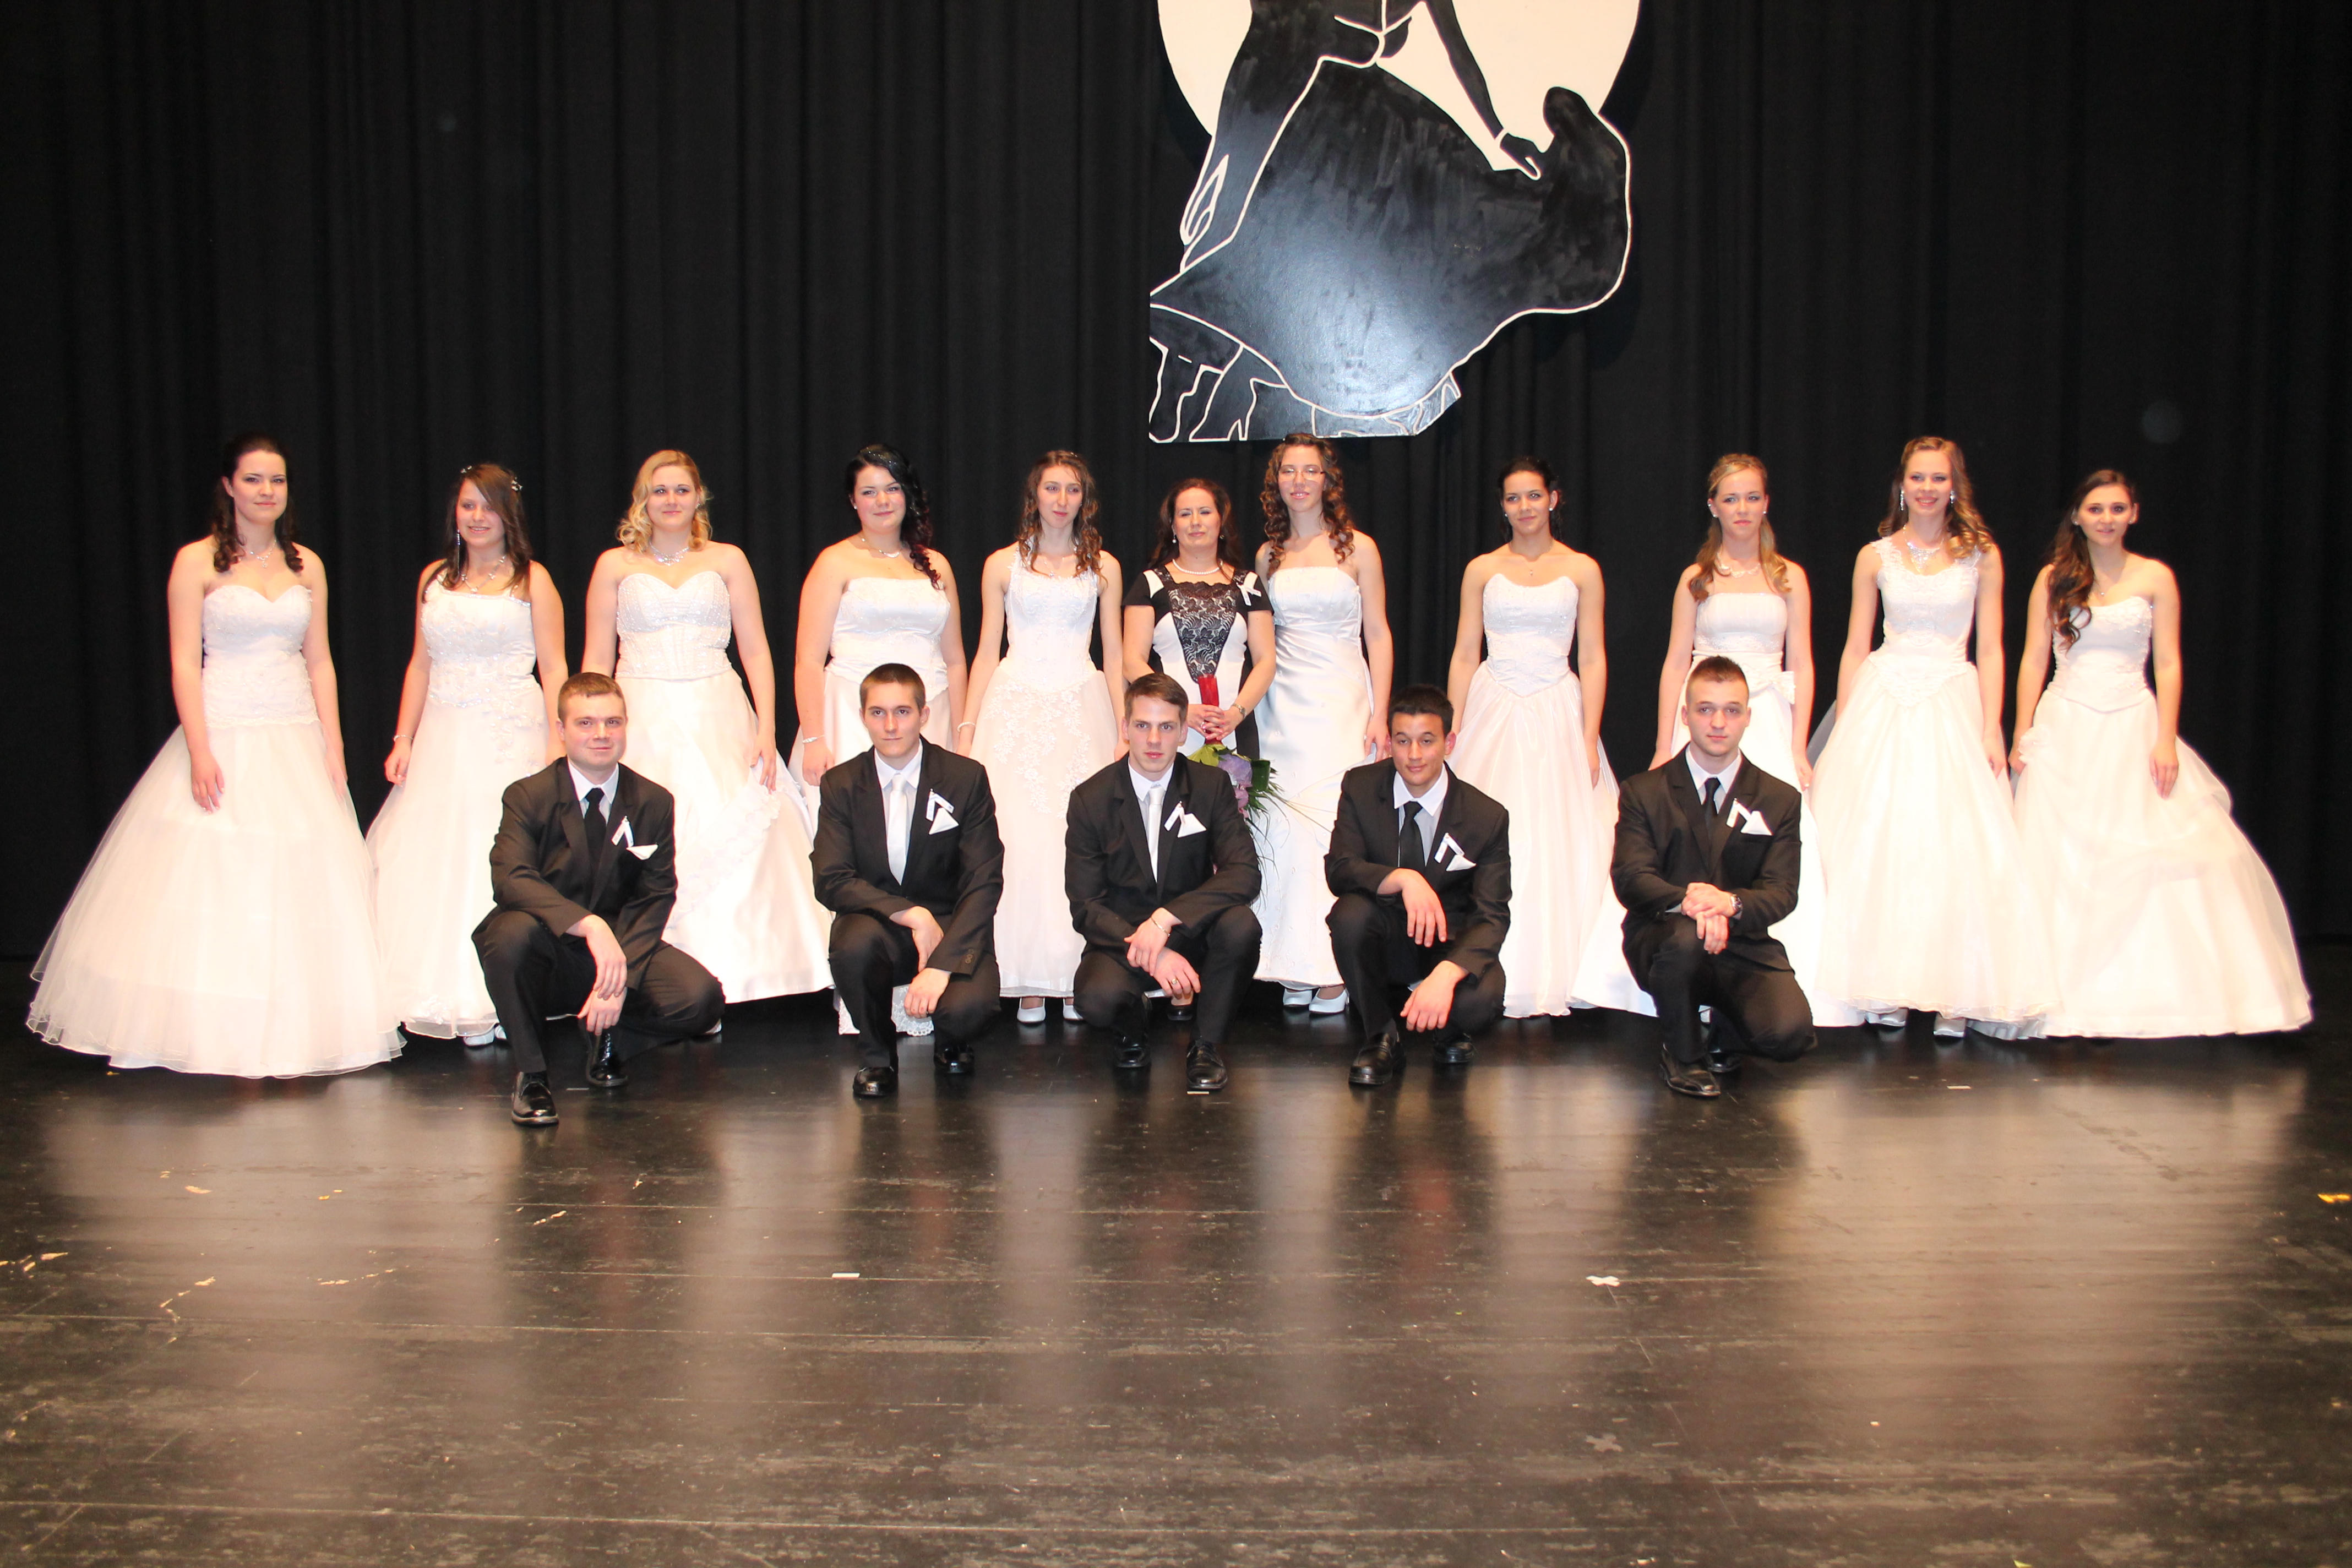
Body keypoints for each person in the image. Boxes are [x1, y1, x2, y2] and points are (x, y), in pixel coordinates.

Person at [29, 434, 399, 1077]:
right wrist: (199, 748)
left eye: (277, 480)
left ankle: (292, 1030)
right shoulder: (196, 561)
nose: (266, 492)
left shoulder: (306, 564)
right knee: (215, 876)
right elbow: (183, 662)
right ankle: (201, 1030)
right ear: (228, 486)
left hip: (295, 733)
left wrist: (334, 745)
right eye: (253, 479)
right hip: (223, 729)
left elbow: (320, 660)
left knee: (299, 882)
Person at [2010, 471, 2308, 1036]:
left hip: (2133, 724)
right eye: (2095, 508)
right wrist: (2023, 729)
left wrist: (2166, 736)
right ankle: (2054, 995)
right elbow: (2032, 658)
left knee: (2147, 850)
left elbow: (2168, 661)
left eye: (2117, 508)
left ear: (2134, 514)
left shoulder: (2156, 577)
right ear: (2077, 516)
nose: (2106, 518)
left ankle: (2134, 997)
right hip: (2065, 725)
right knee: (2058, 858)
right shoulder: (2053, 578)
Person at [1808, 437, 2054, 1036]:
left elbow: (1992, 648)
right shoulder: (1875, 556)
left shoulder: (1981, 556)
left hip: (1951, 697)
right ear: (1902, 485)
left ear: (1954, 486)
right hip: (1885, 698)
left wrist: (1991, 725)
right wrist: (1846, 720)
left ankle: (1955, 990)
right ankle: (1883, 983)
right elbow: (1856, 645)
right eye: (1917, 478)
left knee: (1954, 847)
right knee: (1882, 845)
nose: (1926, 488)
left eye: (1938, 478)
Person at [581, 450, 830, 1003]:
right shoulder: (614, 565)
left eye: (681, 490)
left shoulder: (727, 560)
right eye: (660, 490)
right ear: (643, 500)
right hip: (640, 712)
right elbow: (595, 660)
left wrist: (766, 728)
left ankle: (740, 974)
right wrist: (586, 731)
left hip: (718, 707)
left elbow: (756, 651)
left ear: (698, 497)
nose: (671, 500)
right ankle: (656, 978)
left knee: (737, 820)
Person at [1644, 454, 1846, 1025]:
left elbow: (1803, 663)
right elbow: (1675, 661)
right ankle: (1694, 966)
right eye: (1731, 498)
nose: (1742, 509)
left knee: (1769, 836)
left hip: (1767, 719)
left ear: (1766, 503)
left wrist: (1799, 745)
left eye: (1752, 497)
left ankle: (1768, 973)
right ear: (1713, 506)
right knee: (1696, 834)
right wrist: (1663, 742)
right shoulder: (1697, 578)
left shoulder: (1788, 577)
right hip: (1706, 716)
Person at [368, 464, 566, 1045]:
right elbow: (420, 665)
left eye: (489, 506)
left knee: (501, 854)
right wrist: (403, 738)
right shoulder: (434, 579)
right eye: (468, 506)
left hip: (510, 735)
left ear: (509, 514)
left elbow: (555, 665)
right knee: (436, 857)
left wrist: (558, 743)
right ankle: (451, 995)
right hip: (443, 735)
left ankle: (507, 995)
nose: (478, 517)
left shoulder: (533, 580)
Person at [473, 673, 723, 1126]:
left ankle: (609, 1038)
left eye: (613, 722)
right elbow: (510, 878)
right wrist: (589, 925)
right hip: (547, 945)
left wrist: (620, 980)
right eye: (586, 723)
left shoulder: (653, 801)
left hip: (617, 949)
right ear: (561, 730)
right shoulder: (528, 796)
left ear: (626, 725)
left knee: (700, 999)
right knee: (507, 935)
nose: (601, 734)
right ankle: (532, 1075)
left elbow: (656, 894)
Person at [1444, 456, 1611, 1017]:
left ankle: (1556, 971)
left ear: (1553, 499)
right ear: (1503, 506)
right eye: (1513, 498)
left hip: (1557, 706)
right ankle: (1478, 965)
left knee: (1556, 835)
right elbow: (1465, 652)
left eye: (1534, 496)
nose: (1524, 507)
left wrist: (1589, 734)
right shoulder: (1482, 568)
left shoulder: (1582, 568)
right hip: (1493, 705)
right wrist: (1454, 724)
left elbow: (1593, 655)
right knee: (1486, 831)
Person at [962, 451, 1124, 1023]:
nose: (1062, 499)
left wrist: (1123, 725)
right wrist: (968, 725)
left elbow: (1114, 653)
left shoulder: (1104, 565)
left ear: (1085, 499)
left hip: (1082, 704)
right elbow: (986, 650)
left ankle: (1077, 973)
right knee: (1020, 838)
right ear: (1035, 495)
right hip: (1015, 707)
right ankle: (1026, 977)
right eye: (1052, 488)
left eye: (1072, 489)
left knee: (1077, 840)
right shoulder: (1001, 564)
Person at [1614, 657, 1817, 1098]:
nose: (1719, 723)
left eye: (1731, 710)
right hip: (1666, 938)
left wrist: (1729, 903)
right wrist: (1691, 903)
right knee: (1685, 940)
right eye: (1706, 709)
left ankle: (1725, 1031)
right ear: (1685, 716)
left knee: (1789, 1035)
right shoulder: (1643, 792)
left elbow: (1783, 892)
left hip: (1741, 942)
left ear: (1748, 717)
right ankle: (1683, 1053)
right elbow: (1631, 877)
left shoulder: (1779, 799)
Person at [813, 665, 1006, 1098]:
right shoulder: (841, 784)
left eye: (902, 711)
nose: (891, 726)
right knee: (851, 945)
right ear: (862, 717)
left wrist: (942, 965)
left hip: (950, 929)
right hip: (880, 925)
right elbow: (830, 878)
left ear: (924, 714)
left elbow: (984, 880)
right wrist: (910, 914)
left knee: (969, 1009)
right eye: (878, 713)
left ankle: (952, 1042)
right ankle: (877, 1056)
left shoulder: (965, 778)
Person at [1066, 674, 1263, 1093]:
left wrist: (1167, 919)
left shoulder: (1210, 786)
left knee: (1241, 926)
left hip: (1190, 930)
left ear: (1183, 731)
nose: (1154, 740)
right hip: (1124, 940)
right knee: (1096, 999)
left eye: (1167, 727)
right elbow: (1086, 906)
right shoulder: (1090, 799)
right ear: (1125, 728)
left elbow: (1244, 872)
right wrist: (1153, 951)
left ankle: (1205, 1045)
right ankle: (1132, 1030)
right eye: (1143, 725)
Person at [1250, 434, 1392, 1012]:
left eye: (1311, 471)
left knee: (1332, 823)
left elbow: (1378, 633)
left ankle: (1333, 966)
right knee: (1282, 823)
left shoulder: (1359, 548)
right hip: (1282, 703)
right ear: (1277, 481)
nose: (1300, 481)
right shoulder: (1267, 555)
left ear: (1328, 479)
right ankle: (1289, 957)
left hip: (1341, 699)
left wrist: (1381, 711)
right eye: (1290, 471)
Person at [1324, 685, 1512, 1086]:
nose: (1413, 755)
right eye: (1403, 741)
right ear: (1390, 742)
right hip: (1386, 935)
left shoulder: (1486, 816)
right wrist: (1403, 879)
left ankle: (1449, 1029)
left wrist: (1447, 974)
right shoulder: (1360, 787)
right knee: (1349, 916)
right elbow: (1340, 869)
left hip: (1447, 941)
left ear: (1449, 743)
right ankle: (1381, 1037)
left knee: (1480, 1002)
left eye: (1427, 741)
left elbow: (1492, 915)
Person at [795, 444, 967, 790]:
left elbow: (955, 662)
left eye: (892, 489)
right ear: (853, 500)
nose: (883, 501)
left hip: (930, 712)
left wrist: (963, 736)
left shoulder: (936, 564)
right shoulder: (834, 562)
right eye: (869, 492)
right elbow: (808, 661)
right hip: (852, 714)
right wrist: (814, 740)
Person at [1123, 477, 1276, 755]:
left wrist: (1236, 714)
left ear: (1221, 521)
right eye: (1185, 514)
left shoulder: (1249, 584)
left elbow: (1266, 661)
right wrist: (1180, 709)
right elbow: (1132, 662)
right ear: (1173, 526)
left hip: (1234, 729)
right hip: (1168, 728)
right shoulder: (1149, 584)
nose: (1195, 522)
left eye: (1205, 512)